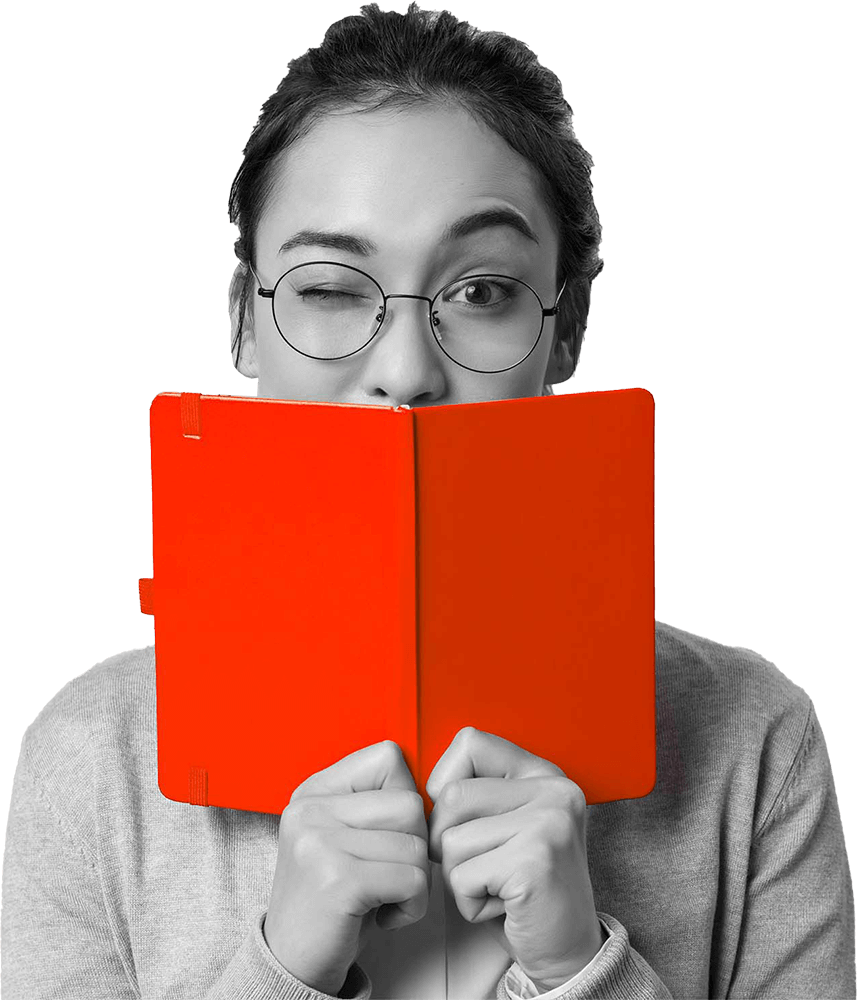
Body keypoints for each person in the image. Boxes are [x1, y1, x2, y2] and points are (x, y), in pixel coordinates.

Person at [3, 4, 854, 998]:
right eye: (329, 286)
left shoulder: (755, 736)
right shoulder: (93, 751)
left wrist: (579, 967)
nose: (404, 371)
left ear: (565, 332)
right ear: (244, 323)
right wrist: (285, 965)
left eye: (481, 289)